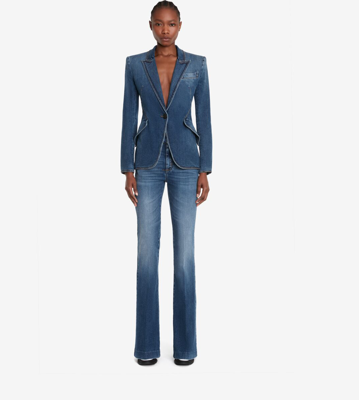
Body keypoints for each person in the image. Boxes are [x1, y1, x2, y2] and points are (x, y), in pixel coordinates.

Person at [120, 1, 213, 366]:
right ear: (150, 26)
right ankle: (146, 348)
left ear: (180, 26)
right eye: (159, 24)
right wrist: (127, 167)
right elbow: (129, 115)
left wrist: (206, 168)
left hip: (187, 164)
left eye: (171, 24)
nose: (165, 30)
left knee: (184, 256)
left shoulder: (197, 65)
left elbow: (205, 115)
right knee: (146, 254)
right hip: (147, 164)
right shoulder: (135, 65)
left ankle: (186, 348)